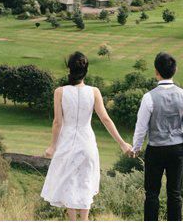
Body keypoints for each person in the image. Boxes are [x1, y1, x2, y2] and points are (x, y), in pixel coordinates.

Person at [41, 52, 133, 221]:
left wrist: (52, 146)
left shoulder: (60, 92)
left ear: (69, 69)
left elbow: (57, 123)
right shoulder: (94, 91)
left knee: (69, 182)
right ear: (86, 70)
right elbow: (105, 119)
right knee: (85, 182)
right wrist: (122, 143)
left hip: (67, 143)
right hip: (87, 143)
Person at [131, 52, 183, 221]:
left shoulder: (149, 97)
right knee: (175, 193)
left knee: (152, 194)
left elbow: (141, 127)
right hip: (177, 149)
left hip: (156, 150)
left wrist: (136, 147)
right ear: (175, 70)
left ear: (156, 71)